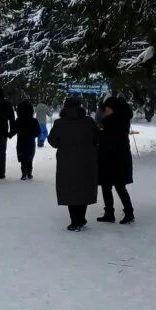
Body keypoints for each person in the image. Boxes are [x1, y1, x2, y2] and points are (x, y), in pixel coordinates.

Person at [47, 97, 100, 231]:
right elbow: (98, 138)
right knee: (83, 188)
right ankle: (81, 218)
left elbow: (53, 142)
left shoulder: (60, 123)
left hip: (66, 162)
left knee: (70, 189)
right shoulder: (88, 122)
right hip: (87, 161)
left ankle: (75, 221)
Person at [97, 96, 135, 224]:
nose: (105, 111)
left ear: (113, 109)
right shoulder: (118, 119)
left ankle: (127, 212)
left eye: (106, 109)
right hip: (116, 157)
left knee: (118, 186)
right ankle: (111, 213)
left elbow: (109, 139)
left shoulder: (114, 121)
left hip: (116, 157)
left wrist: (100, 134)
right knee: (109, 186)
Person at [12, 100, 41, 180]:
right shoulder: (33, 120)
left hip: (21, 141)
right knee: (30, 158)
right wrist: (33, 135)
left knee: (23, 158)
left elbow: (14, 129)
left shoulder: (19, 120)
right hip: (30, 141)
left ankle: (24, 173)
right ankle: (29, 173)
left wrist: (9, 134)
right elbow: (38, 132)